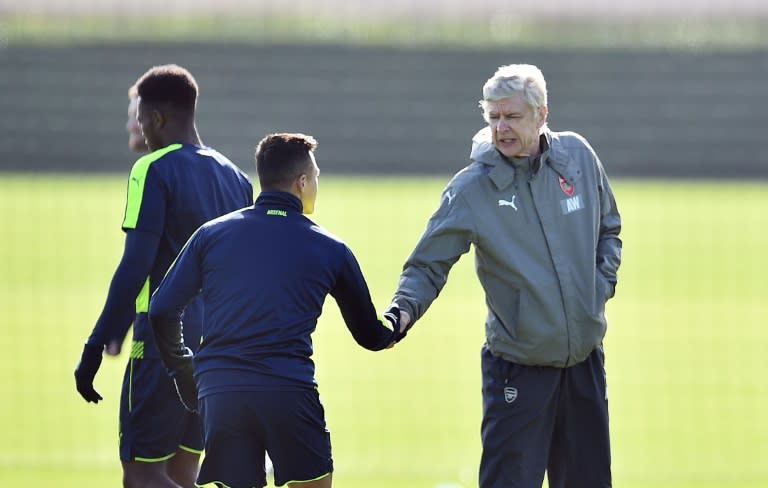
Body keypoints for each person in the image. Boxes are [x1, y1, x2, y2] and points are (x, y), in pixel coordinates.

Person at [390, 64, 622, 488]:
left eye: (512, 116)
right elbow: (428, 264)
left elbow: (609, 228)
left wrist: (598, 291)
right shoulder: (471, 189)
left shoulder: (579, 158)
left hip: (584, 363)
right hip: (518, 369)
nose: (502, 128)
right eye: (493, 117)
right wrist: (402, 311)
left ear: (542, 114)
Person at [148, 132, 404, 488]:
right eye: (315, 177)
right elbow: (371, 335)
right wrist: (399, 320)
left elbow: (160, 309)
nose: (317, 184)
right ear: (301, 183)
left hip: (221, 394)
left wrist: (184, 372)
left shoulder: (211, 235)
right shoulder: (330, 248)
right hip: (288, 394)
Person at [74, 64, 254, 488]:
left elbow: (136, 264)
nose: (139, 130)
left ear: (156, 118)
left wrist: (97, 341)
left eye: (140, 120)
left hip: (163, 344)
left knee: (141, 476)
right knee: (181, 473)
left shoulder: (152, 170)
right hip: (218, 345)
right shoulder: (237, 179)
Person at [104, 82, 150, 357]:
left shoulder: (147, 172)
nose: (129, 126)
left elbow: (139, 263)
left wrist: (107, 330)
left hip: (157, 341)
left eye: (134, 117)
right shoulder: (226, 174)